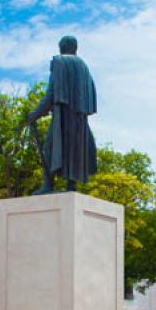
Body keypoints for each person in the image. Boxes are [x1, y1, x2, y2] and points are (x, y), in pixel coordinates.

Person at [27, 35, 97, 194]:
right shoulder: (84, 67)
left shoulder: (59, 62)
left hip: (63, 117)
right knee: (75, 151)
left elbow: (52, 93)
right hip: (80, 119)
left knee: (50, 147)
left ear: (62, 47)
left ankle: (48, 185)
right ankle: (71, 185)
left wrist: (36, 114)